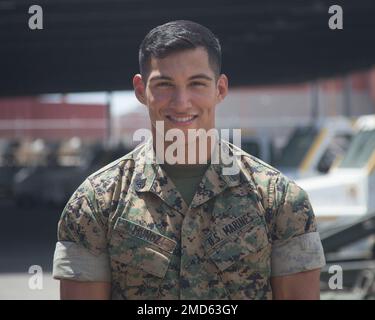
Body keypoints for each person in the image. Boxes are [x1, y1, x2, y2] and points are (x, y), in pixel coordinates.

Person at [52, 20, 325, 300]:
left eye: (196, 83)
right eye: (164, 85)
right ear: (140, 90)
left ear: (220, 89)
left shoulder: (279, 200)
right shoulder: (96, 203)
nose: (181, 102)